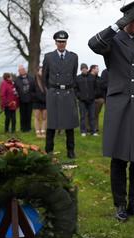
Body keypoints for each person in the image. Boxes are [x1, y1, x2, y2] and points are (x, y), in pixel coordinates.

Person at [88, 0, 134, 221]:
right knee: (120, 158)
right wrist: (117, 25)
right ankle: (120, 204)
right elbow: (93, 44)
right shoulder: (114, 40)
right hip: (121, 105)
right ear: (126, 20)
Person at [43, 30, 79, 159]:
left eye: (63, 42)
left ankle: (71, 150)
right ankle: (48, 150)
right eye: (59, 42)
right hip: (54, 92)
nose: (61, 44)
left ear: (66, 42)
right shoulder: (48, 57)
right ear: (55, 42)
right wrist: (51, 90)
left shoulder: (73, 57)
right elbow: (44, 77)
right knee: (52, 123)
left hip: (68, 92)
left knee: (69, 124)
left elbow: (74, 75)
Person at [76, 63, 98, 136]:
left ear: (87, 69)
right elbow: (75, 89)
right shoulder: (78, 78)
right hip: (82, 100)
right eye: (83, 69)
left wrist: (93, 95)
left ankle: (93, 131)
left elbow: (96, 87)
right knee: (83, 116)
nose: (84, 70)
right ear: (81, 70)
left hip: (91, 100)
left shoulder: (92, 77)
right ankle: (83, 131)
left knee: (92, 116)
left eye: (85, 68)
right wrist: (79, 96)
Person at [14, 65, 35, 132]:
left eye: (23, 69)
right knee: (22, 114)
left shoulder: (31, 78)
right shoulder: (17, 80)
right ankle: (23, 128)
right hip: (21, 99)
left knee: (29, 114)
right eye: (20, 70)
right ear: (19, 71)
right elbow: (15, 89)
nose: (22, 71)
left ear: (25, 70)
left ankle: (28, 128)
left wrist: (32, 96)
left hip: (30, 99)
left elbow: (34, 88)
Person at [32, 66, 47, 138]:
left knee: (45, 117)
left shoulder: (46, 80)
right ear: (38, 72)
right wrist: (37, 97)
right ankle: (37, 131)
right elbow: (32, 92)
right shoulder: (34, 80)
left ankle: (43, 131)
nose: (42, 72)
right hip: (36, 102)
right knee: (37, 117)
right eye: (41, 71)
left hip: (45, 102)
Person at [92, 65, 105, 134]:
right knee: (89, 114)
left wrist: (102, 97)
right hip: (90, 99)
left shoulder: (99, 79)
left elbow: (102, 87)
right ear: (92, 69)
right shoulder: (89, 78)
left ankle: (96, 128)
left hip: (99, 99)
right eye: (97, 69)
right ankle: (88, 128)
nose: (98, 70)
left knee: (96, 114)